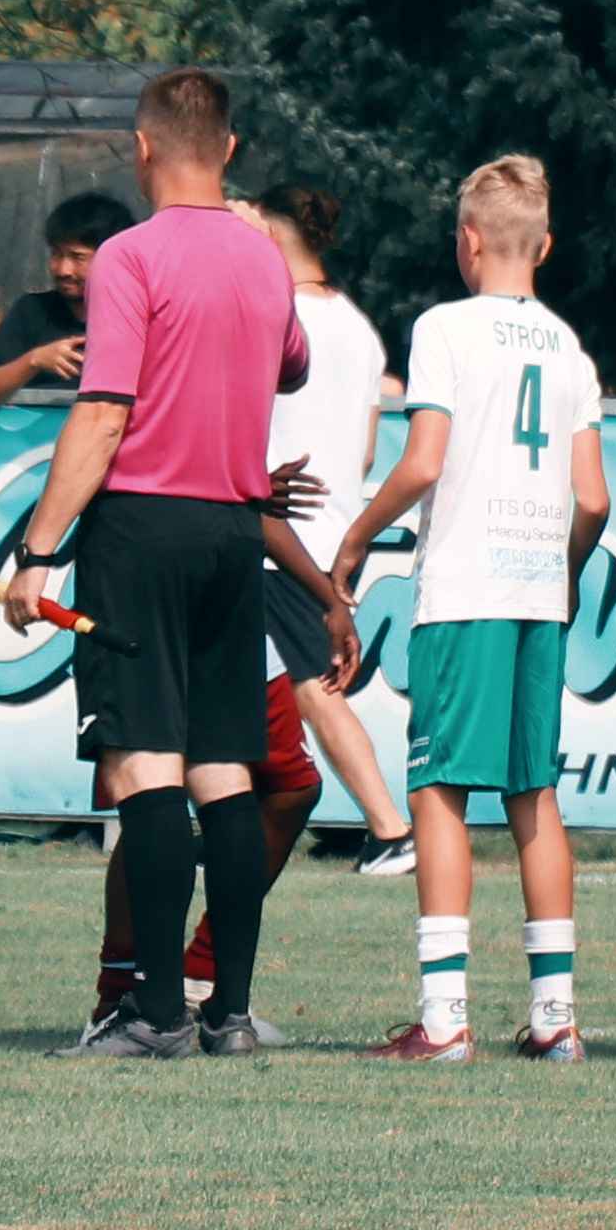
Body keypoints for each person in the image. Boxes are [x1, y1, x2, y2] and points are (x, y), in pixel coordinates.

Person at [0, 69, 304, 1057]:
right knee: (224, 768)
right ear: (231, 148)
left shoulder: (130, 256)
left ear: (141, 148)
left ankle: (158, 1012)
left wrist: (39, 551)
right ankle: (230, 1011)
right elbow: (292, 364)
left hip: (141, 528)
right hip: (232, 533)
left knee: (143, 762)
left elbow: (103, 411)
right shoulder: (265, 259)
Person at [316, 156, 607, 1061]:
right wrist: (562, 572)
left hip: (467, 587)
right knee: (534, 797)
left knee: (437, 790)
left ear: (467, 241)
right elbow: (594, 498)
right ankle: (556, 1018)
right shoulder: (569, 349)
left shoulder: (444, 327)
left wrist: (356, 538)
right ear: (545, 247)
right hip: (535, 593)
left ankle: (444, 1020)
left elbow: (424, 461)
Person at [251, 188, 416, 867]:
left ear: (273, 236)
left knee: (310, 690)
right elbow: (368, 451)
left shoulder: (274, 317)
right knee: (285, 686)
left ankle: (389, 829)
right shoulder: (358, 328)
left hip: (283, 533)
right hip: (335, 529)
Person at [0, 189, 130, 406]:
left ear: (113, 255)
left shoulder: (136, 316)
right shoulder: (32, 311)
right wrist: (33, 361)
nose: (63, 270)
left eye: (77, 257)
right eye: (56, 254)